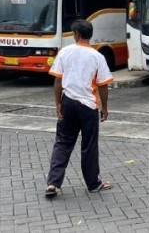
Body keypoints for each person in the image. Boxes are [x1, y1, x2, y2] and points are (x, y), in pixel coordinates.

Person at [45, 19, 114, 197]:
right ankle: (93, 183)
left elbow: (58, 80)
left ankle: (53, 183)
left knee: (63, 142)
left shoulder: (65, 52)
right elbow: (103, 85)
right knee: (89, 145)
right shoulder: (98, 56)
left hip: (68, 102)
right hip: (88, 106)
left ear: (76, 34)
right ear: (89, 35)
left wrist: (58, 103)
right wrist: (104, 108)